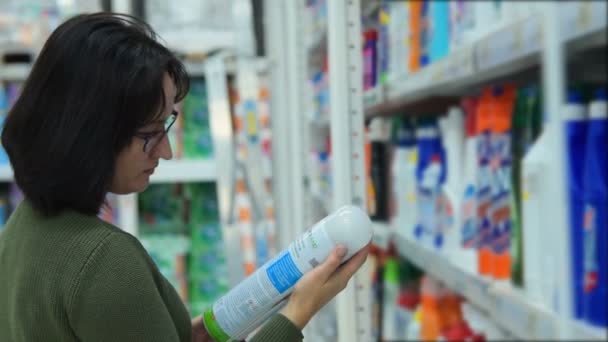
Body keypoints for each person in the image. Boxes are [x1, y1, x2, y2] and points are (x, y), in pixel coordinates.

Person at [0, 12, 369, 342]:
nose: (166, 151)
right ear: (89, 132)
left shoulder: (21, 229)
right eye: (150, 133)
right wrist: (297, 313)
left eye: (167, 126)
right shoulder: (103, 261)